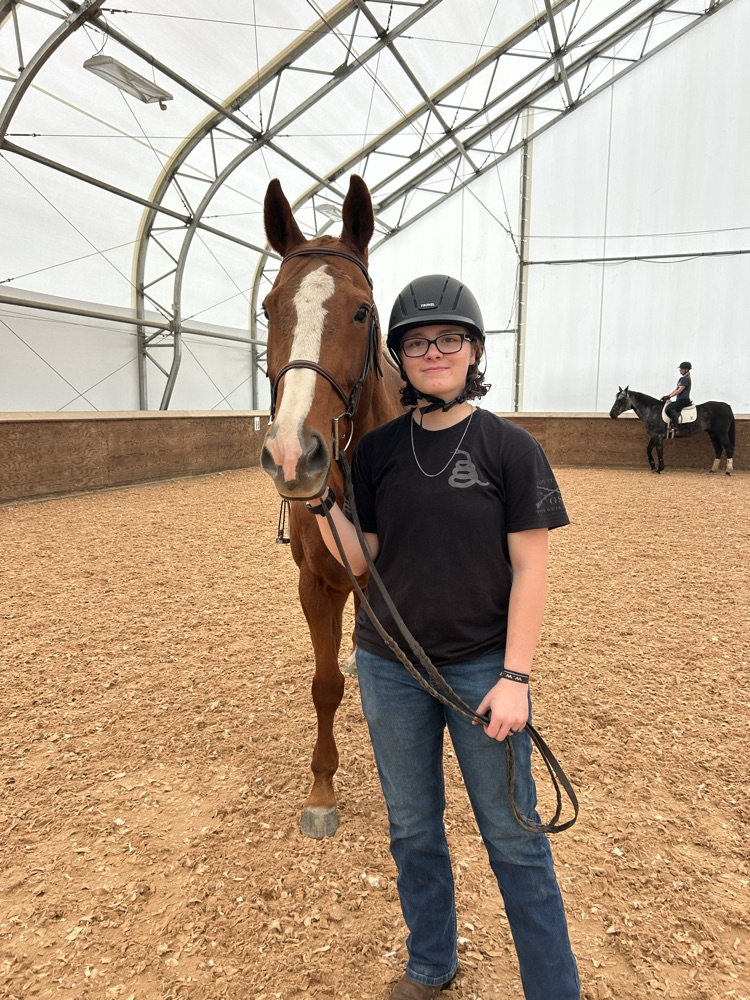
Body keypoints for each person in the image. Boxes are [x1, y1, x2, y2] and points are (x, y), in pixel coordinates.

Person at [306, 274, 580, 1000]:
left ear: (474, 350)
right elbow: (361, 561)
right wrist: (319, 500)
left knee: (514, 837)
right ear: (398, 357)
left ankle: (554, 989)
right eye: (417, 342)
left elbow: (531, 569)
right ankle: (431, 963)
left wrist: (515, 677)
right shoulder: (376, 453)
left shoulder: (511, 449)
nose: (434, 352)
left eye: (449, 339)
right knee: (412, 828)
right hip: (388, 666)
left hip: (482, 670)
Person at [661, 361, 692, 430]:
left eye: (682, 369)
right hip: (679, 400)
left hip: (684, 400)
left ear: (686, 370)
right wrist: (668, 396)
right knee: (668, 407)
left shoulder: (686, 379)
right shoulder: (681, 379)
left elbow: (679, 390)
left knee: (671, 409)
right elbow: (676, 389)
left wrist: (669, 396)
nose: (680, 370)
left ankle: (676, 427)